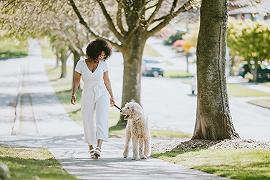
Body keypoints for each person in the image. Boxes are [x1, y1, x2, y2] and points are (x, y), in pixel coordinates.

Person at [71, 39, 115, 159]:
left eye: (104, 55)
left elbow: (107, 81)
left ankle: (99, 147)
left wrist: (112, 95)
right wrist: (73, 93)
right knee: (87, 119)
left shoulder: (103, 64)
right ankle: (91, 147)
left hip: (102, 94)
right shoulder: (80, 63)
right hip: (88, 93)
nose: (102, 57)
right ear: (94, 51)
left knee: (102, 118)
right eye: (101, 54)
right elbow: (76, 80)